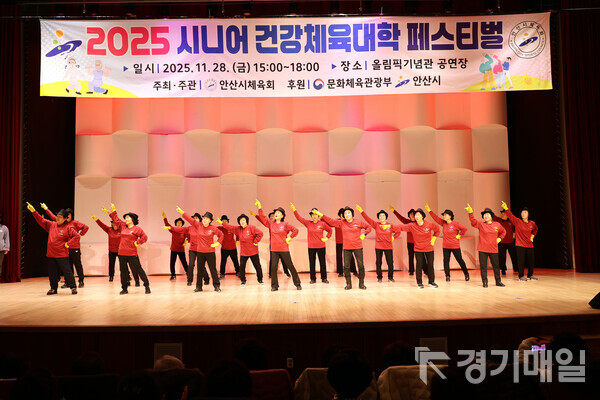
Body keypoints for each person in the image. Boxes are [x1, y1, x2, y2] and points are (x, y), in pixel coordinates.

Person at [314, 206, 372, 290]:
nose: (347, 215)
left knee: (361, 266)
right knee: (346, 267)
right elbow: (331, 221)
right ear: (343, 215)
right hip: (347, 248)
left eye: (348, 213)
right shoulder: (341, 223)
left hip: (358, 247)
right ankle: (348, 284)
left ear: (352, 214)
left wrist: (364, 234)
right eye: (345, 213)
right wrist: (321, 215)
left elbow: (369, 227)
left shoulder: (358, 222)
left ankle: (361, 284)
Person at [27, 202, 79, 295]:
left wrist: (68, 243)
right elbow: (41, 220)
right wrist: (34, 211)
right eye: (57, 216)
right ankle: (53, 288)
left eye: (60, 217)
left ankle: (73, 287)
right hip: (51, 254)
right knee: (52, 272)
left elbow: (77, 236)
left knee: (67, 271)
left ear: (65, 219)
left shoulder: (68, 228)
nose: (57, 218)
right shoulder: (52, 225)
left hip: (62, 254)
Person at [254, 199, 302, 292]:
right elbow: (263, 218)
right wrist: (259, 207)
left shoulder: (285, 224)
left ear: (282, 215)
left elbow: (296, 230)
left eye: (278, 213)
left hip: (284, 249)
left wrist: (289, 238)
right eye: (275, 213)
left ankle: (297, 283)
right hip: (274, 250)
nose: (276, 214)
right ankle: (274, 286)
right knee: (273, 268)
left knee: (290, 266)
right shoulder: (271, 224)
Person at [104, 203, 151, 295]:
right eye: (125, 218)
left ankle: (146, 286)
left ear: (132, 219)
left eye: (128, 218)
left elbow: (144, 237)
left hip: (132, 254)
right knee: (123, 272)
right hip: (121, 253)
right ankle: (124, 288)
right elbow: (116, 219)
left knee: (139, 269)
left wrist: (138, 242)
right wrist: (113, 211)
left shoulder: (137, 229)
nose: (126, 219)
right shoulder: (122, 226)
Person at [177, 206, 224, 292]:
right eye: (204, 218)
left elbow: (221, 234)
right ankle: (199, 287)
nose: (204, 220)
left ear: (210, 220)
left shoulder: (213, 228)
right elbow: (190, 219)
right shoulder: (198, 225)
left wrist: (218, 243)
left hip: (210, 252)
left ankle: (217, 286)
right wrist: (182, 212)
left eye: (206, 218)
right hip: (200, 252)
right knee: (200, 270)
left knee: (213, 270)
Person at [42, 203, 89, 288]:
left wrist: (80, 235)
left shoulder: (75, 223)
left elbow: (86, 227)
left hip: (74, 247)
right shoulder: (61, 222)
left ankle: (81, 281)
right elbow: (52, 216)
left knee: (77, 264)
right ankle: (68, 282)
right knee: (67, 266)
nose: (67, 217)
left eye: (69, 215)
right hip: (65, 248)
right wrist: (46, 209)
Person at [397, 208, 440, 289]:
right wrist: (390, 226)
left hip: (429, 248)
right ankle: (419, 283)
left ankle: (431, 282)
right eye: (415, 215)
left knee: (430, 265)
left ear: (422, 216)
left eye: (418, 215)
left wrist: (434, 238)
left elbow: (437, 230)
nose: (416, 216)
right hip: (418, 249)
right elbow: (401, 227)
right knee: (419, 265)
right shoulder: (412, 225)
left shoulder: (429, 224)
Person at [357, 206, 401, 283]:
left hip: (388, 247)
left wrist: (393, 237)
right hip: (378, 246)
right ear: (378, 218)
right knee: (378, 262)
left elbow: (398, 231)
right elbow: (368, 219)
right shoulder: (376, 225)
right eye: (380, 216)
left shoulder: (390, 225)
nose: (381, 217)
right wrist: (361, 211)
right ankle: (379, 277)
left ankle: (390, 277)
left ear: (386, 217)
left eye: (383, 215)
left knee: (390, 263)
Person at [466, 204, 506, 288]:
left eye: (487, 214)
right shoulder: (481, 224)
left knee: (496, 266)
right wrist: (470, 212)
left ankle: (498, 281)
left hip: (493, 249)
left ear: (491, 216)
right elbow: (473, 222)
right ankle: (485, 282)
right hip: (482, 249)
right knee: (483, 267)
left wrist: (499, 238)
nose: (486, 216)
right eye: (484, 215)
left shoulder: (497, 225)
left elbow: (504, 232)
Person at [218, 213, 263, 286]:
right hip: (244, 253)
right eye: (241, 220)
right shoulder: (238, 229)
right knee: (242, 267)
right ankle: (243, 281)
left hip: (253, 252)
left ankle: (260, 280)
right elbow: (230, 227)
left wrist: (255, 241)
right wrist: (222, 223)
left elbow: (260, 233)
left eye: (243, 220)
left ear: (246, 221)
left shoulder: (251, 227)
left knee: (257, 266)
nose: (242, 221)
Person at [427, 205, 470, 281]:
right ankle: (447, 276)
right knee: (446, 261)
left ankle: (466, 273)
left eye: (445, 215)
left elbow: (464, 228)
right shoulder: (443, 223)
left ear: (450, 216)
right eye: (443, 215)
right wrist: (430, 211)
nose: (444, 216)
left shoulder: (455, 224)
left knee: (459, 260)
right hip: (446, 246)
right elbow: (436, 218)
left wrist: (460, 235)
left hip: (455, 246)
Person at [291, 203, 332, 284]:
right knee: (312, 263)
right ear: (311, 216)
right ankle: (313, 279)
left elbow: (330, 230)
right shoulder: (308, 223)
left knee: (322, 262)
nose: (314, 216)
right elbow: (299, 218)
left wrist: (327, 238)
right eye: (312, 215)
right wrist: (294, 210)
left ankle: (324, 278)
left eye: (316, 214)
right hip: (311, 247)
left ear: (318, 215)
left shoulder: (322, 223)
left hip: (321, 246)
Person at [92, 213, 135, 283]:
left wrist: (111, 213)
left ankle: (127, 276)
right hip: (111, 251)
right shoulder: (109, 230)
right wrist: (96, 220)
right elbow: (102, 225)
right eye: (113, 224)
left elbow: (122, 222)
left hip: (120, 251)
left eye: (115, 224)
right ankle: (111, 276)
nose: (114, 225)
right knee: (111, 264)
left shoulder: (122, 229)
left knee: (123, 264)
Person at [502, 201, 539, 281]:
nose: (523, 214)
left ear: (528, 214)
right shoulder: (518, 222)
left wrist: (532, 236)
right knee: (520, 261)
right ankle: (521, 276)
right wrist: (506, 209)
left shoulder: (532, 223)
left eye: (525, 213)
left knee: (531, 261)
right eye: (522, 213)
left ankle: (530, 275)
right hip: (520, 245)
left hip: (529, 245)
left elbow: (535, 229)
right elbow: (511, 216)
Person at [390, 206, 417, 275]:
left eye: (414, 214)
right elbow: (400, 217)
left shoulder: (419, 222)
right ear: (409, 215)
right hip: (410, 242)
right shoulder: (407, 222)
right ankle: (411, 271)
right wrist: (394, 211)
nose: (412, 215)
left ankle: (425, 270)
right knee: (411, 256)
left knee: (420, 257)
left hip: (418, 242)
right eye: (411, 214)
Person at [162, 212, 189, 280]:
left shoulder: (184, 231)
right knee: (172, 263)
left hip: (181, 249)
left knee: (184, 262)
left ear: (182, 224)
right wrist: (164, 217)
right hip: (173, 249)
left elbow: (189, 237)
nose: (179, 224)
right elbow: (167, 225)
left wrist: (186, 241)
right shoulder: (173, 230)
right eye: (178, 223)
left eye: (180, 223)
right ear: (176, 224)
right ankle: (173, 275)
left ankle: (188, 273)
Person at [185, 212, 209, 286]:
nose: (195, 219)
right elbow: (185, 233)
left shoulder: (202, 227)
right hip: (192, 249)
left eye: (197, 218)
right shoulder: (190, 228)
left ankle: (206, 278)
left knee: (201, 265)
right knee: (191, 265)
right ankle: (189, 280)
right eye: (194, 218)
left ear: (200, 219)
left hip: (200, 249)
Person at [334, 207, 358, 277]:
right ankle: (340, 272)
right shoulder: (337, 222)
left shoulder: (347, 222)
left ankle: (354, 271)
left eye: (344, 215)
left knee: (350, 256)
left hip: (347, 242)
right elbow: (329, 222)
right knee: (339, 256)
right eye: (341, 215)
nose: (343, 216)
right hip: (339, 242)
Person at [493, 209, 517, 275]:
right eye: (501, 214)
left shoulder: (511, 221)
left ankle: (516, 268)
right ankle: (503, 269)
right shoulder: (499, 220)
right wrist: (488, 211)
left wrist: (514, 234)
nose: (502, 215)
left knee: (513, 256)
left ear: (507, 215)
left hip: (510, 242)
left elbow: (515, 228)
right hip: (501, 242)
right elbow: (493, 216)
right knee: (502, 257)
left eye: (504, 214)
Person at [217, 215, 240, 279]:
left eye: (225, 221)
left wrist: (237, 240)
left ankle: (238, 272)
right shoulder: (220, 228)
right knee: (223, 262)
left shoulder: (231, 228)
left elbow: (237, 233)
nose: (224, 222)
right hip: (224, 248)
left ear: (228, 222)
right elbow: (213, 229)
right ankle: (222, 274)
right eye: (223, 221)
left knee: (235, 261)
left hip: (233, 248)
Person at [0, 214, 8, 281]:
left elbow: (6, 238)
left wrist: (6, 248)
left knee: (0, 264)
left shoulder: (4, 228)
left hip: (1, 249)